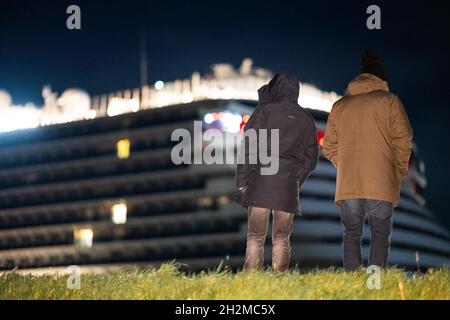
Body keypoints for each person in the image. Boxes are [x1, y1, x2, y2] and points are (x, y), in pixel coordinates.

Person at [322, 50, 413, 271]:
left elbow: (328, 146)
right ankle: (373, 285)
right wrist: (397, 172)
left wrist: (346, 167)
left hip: (349, 184)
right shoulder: (390, 100)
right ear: (381, 80)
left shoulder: (339, 106)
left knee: (352, 234)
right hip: (381, 180)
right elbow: (404, 139)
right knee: (380, 234)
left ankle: (354, 283)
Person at [236, 73, 319, 272]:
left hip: (260, 185)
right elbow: (311, 160)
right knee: (282, 238)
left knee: (255, 237)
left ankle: (252, 280)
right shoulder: (306, 119)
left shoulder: (264, 111)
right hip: (288, 187)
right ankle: (279, 279)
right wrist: (295, 179)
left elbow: (248, 149)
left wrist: (242, 183)